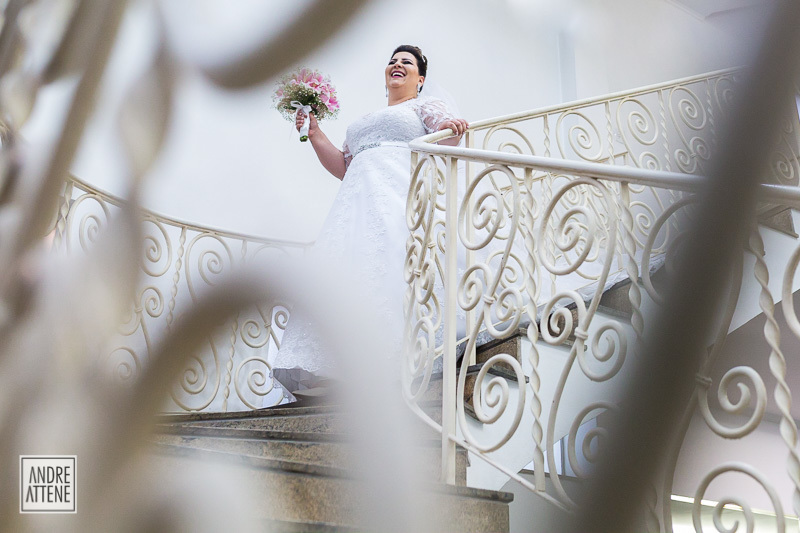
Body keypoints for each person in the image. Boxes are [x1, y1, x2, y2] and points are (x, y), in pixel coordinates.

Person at [268, 45, 469, 403]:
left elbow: (446, 134)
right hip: (357, 205)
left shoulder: (422, 106)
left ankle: (402, 360)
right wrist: (314, 132)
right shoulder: (366, 119)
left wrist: (449, 127)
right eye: (392, 61)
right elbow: (344, 167)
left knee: (396, 270)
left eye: (406, 62)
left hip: (399, 196)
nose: (397, 64)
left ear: (420, 79)